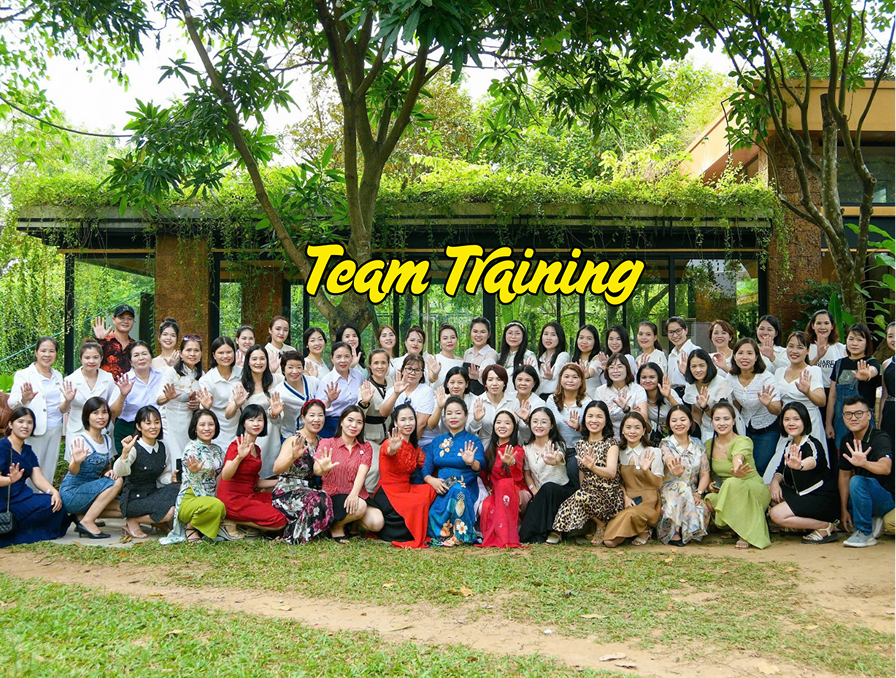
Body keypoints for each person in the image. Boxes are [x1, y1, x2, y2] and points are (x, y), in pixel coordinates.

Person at [551, 401, 624, 543]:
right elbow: (582, 472)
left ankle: (601, 525)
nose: (594, 420)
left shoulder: (611, 443)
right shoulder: (580, 444)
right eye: (590, 416)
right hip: (588, 493)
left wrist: (593, 467)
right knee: (566, 508)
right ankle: (593, 523)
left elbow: (611, 472)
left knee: (580, 497)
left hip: (609, 494)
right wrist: (583, 491)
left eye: (599, 416)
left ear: (606, 421)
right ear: (584, 419)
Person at [768, 403, 839, 544]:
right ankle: (803, 526)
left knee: (776, 514)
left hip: (819, 498)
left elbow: (812, 461)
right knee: (767, 491)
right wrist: (775, 482)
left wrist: (800, 465)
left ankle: (824, 526)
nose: (791, 423)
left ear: (805, 421)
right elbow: (780, 470)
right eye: (787, 419)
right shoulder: (789, 445)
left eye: (796, 419)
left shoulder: (812, 444)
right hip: (801, 495)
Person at [703, 402, 771, 549]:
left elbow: (738, 457)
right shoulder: (709, 445)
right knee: (710, 499)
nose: (722, 423)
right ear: (712, 421)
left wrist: (737, 468)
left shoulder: (743, 440)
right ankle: (734, 526)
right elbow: (707, 471)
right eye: (717, 419)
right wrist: (710, 484)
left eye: (726, 419)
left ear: (734, 421)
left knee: (732, 482)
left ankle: (745, 534)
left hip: (752, 487)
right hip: (728, 490)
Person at [0, 406, 69, 547]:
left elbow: (38, 478)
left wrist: (54, 492)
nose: (25, 426)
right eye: (21, 421)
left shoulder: (27, 451)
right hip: (5, 501)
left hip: (23, 497)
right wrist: (9, 480)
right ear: (10, 424)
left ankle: (17, 528)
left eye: (30, 422)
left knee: (56, 506)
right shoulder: (2, 447)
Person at [369, 403, 435, 548]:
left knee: (430, 491)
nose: (408, 423)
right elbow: (389, 451)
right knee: (416, 503)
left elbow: (426, 464)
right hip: (388, 492)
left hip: (406, 489)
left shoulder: (414, 447)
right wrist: (392, 449)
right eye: (403, 420)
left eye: (411, 419)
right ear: (395, 423)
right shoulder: (389, 442)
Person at [423, 396, 486, 546]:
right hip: (442, 485)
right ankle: (445, 534)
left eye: (458, 413)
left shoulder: (473, 440)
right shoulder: (437, 441)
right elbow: (426, 469)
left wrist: (471, 462)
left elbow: (480, 466)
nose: (453, 417)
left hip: (465, 484)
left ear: (466, 416)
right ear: (444, 418)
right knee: (437, 507)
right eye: (449, 413)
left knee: (458, 491)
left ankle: (461, 535)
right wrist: (431, 480)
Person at [314, 406, 384, 542]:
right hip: (334, 494)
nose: (354, 425)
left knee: (377, 523)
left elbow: (362, 473)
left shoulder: (366, 447)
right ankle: (336, 527)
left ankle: (352, 523)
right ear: (341, 422)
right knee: (360, 506)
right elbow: (316, 469)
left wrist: (354, 494)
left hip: (356, 494)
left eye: (359, 422)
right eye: (350, 420)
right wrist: (322, 469)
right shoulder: (327, 443)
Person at [217, 404, 287, 535]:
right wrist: (239, 457)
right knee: (280, 520)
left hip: (250, 495)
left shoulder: (257, 449)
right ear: (243, 423)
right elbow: (225, 475)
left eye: (260, 420)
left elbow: (255, 483)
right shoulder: (236, 445)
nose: (256, 424)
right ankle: (231, 520)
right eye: (251, 420)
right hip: (233, 499)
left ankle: (248, 523)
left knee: (283, 502)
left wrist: (280, 481)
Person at [160, 409, 227, 544]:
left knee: (221, 506)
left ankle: (202, 526)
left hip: (210, 497)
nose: (207, 428)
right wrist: (194, 471)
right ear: (195, 429)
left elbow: (221, 476)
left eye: (211, 424)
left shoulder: (218, 450)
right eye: (202, 425)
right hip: (191, 497)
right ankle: (190, 528)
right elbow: (191, 479)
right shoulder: (191, 448)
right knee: (216, 506)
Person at [271, 400, 333, 544]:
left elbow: (318, 471)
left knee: (324, 497)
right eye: (312, 415)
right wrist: (292, 457)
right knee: (319, 499)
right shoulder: (294, 440)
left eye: (320, 415)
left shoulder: (322, 442)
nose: (316, 419)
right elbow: (276, 468)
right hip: (287, 490)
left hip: (310, 490)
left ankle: (292, 531)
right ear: (303, 418)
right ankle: (293, 536)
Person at [113, 405, 180, 539]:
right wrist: (125, 453)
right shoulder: (134, 447)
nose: (153, 427)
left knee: (180, 487)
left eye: (156, 422)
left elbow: (163, 475)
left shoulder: (162, 447)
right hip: (133, 499)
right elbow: (120, 471)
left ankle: (155, 520)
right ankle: (134, 520)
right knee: (169, 513)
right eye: (148, 423)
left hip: (153, 493)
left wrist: (171, 479)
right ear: (138, 426)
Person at [59, 397, 122, 539]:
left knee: (122, 508)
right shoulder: (80, 440)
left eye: (104, 412)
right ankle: (88, 521)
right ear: (87, 416)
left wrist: (110, 472)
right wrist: (77, 462)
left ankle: (80, 516)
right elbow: (73, 471)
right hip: (72, 492)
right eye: (95, 413)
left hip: (92, 491)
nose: (101, 417)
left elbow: (106, 469)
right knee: (118, 482)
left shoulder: (107, 439)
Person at [837, 396, 894, 548]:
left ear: (869, 415)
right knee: (838, 497)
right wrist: (843, 510)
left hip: (887, 495)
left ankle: (865, 532)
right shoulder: (846, 440)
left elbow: (886, 468)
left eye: (858, 413)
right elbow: (844, 475)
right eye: (848, 414)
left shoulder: (880, 438)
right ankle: (872, 519)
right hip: (863, 494)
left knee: (857, 481)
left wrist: (864, 463)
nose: (853, 418)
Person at [603, 412, 664, 547]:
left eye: (637, 427)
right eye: (628, 427)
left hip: (648, 500)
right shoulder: (617, 452)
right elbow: (618, 481)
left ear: (643, 431)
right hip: (627, 500)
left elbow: (658, 483)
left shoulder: (653, 452)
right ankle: (634, 530)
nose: (632, 431)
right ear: (622, 430)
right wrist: (625, 496)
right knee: (609, 541)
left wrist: (646, 471)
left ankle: (645, 529)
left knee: (629, 517)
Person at [9, 337, 65, 482]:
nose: (47, 355)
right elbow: (11, 403)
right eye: (43, 350)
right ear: (36, 352)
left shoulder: (58, 375)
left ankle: (47, 496)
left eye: (51, 351)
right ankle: (29, 496)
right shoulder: (24, 374)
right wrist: (24, 399)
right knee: (31, 469)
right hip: (34, 429)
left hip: (56, 428)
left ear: (56, 354)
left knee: (49, 470)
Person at [226, 345, 284, 477]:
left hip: (272, 431)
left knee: (271, 470)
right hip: (251, 434)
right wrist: (236, 405)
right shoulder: (240, 385)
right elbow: (228, 414)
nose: (258, 362)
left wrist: (274, 413)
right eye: (254, 359)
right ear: (248, 362)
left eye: (262, 359)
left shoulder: (277, 379)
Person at [728, 338, 782, 476]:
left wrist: (768, 404)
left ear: (756, 357)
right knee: (744, 466)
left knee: (760, 467)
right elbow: (734, 403)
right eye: (740, 353)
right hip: (744, 428)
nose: (745, 357)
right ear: (734, 356)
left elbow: (777, 410)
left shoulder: (766, 378)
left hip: (767, 430)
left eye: (750, 353)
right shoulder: (731, 377)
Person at [519, 406, 573, 543]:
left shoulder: (558, 444)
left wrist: (553, 460)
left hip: (560, 491)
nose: (539, 425)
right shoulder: (526, 447)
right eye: (535, 421)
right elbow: (527, 474)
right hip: (540, 493)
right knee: (525, 536)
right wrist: (534, 491)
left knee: (549, 487)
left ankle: (555, 530)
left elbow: (558, 457)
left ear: (551, 425)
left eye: (543, 422)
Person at [657, 405, 710, 546]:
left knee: (701, 508)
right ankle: (675, 531)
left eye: (683, 419)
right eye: (674, 420)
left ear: (690, 422)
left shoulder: (698, 444)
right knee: (681, 486)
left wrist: (699, 493)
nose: (678, 424)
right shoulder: (665, 444)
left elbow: (705, 473)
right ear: (669, 424)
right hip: (670, 491)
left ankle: (688, 531)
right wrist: (675, 470)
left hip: (692, 492)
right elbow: (669, 459)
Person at [479, 410, 529, 548]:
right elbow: (483, 473)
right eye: (498, 422)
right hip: (496, 492)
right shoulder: (490, 450)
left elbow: (518, 477)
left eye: (507, 423)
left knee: (504, 483)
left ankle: (508, 534)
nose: (502, 426)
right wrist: (488, 487)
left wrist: (511, 462)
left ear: (514, 427)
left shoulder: (518, 450)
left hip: (517, 491)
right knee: (486, 506)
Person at [62, 341, 119, 460]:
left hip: (101, 427)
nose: (91, 361)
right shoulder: (70, 380)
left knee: (102, 463)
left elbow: (112, 404)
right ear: (80, 359)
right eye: (87, 358)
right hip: (78, 427)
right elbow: (62, 409)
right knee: (77, 463)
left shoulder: (108, 378)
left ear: (101, 358)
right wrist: (68, 401)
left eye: (95, 357)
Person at [827, 323, 881, 448]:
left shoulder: (872, 362)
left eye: (859, 340)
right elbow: (832, 396)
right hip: (841, 421)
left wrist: (867, 374)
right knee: (843, 454)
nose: (854, 343)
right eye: (851, 339)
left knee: (865, 454)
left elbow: (873, 370)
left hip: (863, 422)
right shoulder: (839, 364)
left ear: (867, 343)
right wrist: (828, 423)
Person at [109, 341, 165, 454]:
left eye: (144, 354)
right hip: (128, 429)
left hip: (155, 428)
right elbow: (114, 412)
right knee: (128, 463)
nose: (141, 358)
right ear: (130, 361)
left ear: (151, 356)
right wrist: (123, 395)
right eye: (136, 355)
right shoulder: (125, 380)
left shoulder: (162, 376)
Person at [773, 332, 826, 450]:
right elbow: (778, 407)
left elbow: (822, 401)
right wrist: (768, 404)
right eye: (791, 346)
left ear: (808, 350)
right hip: (788, 424)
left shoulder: (813, 371)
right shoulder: (779, 372)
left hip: (809, 422)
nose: (794, 351)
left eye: (800, 347)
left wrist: (808, 392)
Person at [156, 334, 204, 465]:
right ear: (181, 354)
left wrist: (198, 405)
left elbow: (205, 402)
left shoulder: (202, 375)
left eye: (196, 350)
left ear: (201, 354)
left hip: (190, 422)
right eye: (188, 350)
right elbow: (158, 400)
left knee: (189, 456)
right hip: (170, 421)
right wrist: (167, 397)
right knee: (174, 457)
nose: (192, 354)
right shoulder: (171, 372)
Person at [545, 362, 590, 485]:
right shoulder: (552, 400)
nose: (570, 380)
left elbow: (592, 431)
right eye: (566, 376)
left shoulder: (587, 402)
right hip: (557, 445)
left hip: (578, 448)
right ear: (560, 379)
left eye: (575, 377)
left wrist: (578, 427)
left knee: (572, 471)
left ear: (581, 381)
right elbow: (546, 423)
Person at [379, 354, 436, 448]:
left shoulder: (426, 391)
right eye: (409, 368)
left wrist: (408, 447)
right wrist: (396, 394)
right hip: (396, 441)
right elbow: (383, 413)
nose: (413, 373)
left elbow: (421, 424)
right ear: (402, 370)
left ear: (422, 373)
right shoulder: (393, 390)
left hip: (421, 443)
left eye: (417, 370)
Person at [196, 336, 242, 449]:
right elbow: (203, 406)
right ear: (214, 355)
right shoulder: (207, 379)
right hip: (217, 425)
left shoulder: (242, 373)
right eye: (221, 353)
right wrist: (205, 406)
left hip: (238, 424)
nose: (225, 356)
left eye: (229, 352)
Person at [357, 349, 394, 491]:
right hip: (371, 436)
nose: (380, 366)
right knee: (373, 470)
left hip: (389, 435)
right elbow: (358, 413)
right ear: (370, 366)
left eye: (383, 363)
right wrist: (365, 402)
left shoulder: (391, 382)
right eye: (376, 363)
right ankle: (367, 497)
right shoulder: (366, 386)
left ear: (388, 365)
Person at [315, 342, 364, 439]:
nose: (343, 360)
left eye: (347, 356)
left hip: (353, 424)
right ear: (332, 359)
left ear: (352, 358)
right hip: (332, 425)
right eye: (338, 357)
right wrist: (329, 401)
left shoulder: (358, 376)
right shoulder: (326, 380)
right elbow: (318, 409)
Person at [592, 353, 648, 437]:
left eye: (619, 367)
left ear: (627, 369)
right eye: (611, 367)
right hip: (607, 437)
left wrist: (627, 409)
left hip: (632, 437)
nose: (615, 371)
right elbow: (596, 416)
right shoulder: (600, 391)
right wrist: (634, 411)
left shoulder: (638, 389)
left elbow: (644, 418)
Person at [273, 351, 320, 440]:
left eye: (299, 367)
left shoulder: (314, 382)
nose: (295, 371)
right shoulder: (279, 390)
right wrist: (274, 413)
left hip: (315, 433)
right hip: (291, 435)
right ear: (283, 369)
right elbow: (272, 414)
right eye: (290, 367)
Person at [468, 365, 516, 449]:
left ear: (504, 382)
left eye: (499, 379)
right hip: (483, 447)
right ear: (485, 383)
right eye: (490, 380)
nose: (494, 383)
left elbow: (519, 432)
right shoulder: (477, 401)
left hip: (507, 448)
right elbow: (469, 432)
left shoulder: (513, 402)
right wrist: (476, 420)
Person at [428, 367, 476, 438]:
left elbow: (472, 429)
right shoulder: (441, 398)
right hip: (445, 440)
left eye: (460, 383)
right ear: (447, 384)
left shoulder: (474, 400)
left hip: (468, 439)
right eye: (452, 382)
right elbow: (431, 426)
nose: (456, 386)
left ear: (466, 384)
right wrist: (440, 407)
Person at [638, 362, 678, 445]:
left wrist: (669, 397)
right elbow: (648, 429)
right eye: (644, 377)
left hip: (678, 430)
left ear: (659, 378)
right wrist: (639, 416)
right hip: (659, 436)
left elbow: (684, 412)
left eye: (652, 377)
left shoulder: (668, 391)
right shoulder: (640, 397)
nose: (647, 381)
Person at [91, 304, 135, 379]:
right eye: (121, 318)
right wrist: (99, 340)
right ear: (114, 320)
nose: (125, 321)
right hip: (105, 385)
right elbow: (90, 360)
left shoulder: (135, 346)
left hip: (129, 385)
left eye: (129, 318)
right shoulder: (103, 341)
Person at [807, 310, 847, 393]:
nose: (822, 327)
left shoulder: (841, 348)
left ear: (832, 326)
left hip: (835, 392)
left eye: (826, 323)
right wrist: (818, 357)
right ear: (813, 326)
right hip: (811, 391)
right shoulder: (806, 347)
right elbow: (802, 372)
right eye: (818, 323)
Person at [497, 321, 537, 396]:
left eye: (517, 333)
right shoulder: (499, 357)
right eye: (510, 333)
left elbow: (536, 380)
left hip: (521, 397)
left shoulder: (529, 356)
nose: (513, 337)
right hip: (501, 398)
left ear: (523, 336)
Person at [463, 317, 498, 395]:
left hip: (483, 397)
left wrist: (478, 376)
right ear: (470, 333)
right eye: (475, 331)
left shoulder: (491, 354)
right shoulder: (467, 353)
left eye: (483, 332)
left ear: (488, 334)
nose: (478, 335)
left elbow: (489, 379)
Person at [536, 321, 569, 399]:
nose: (548, 338)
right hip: (538, 399)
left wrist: (552, 376)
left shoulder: (563, 355)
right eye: (546, 334)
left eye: (553, 335)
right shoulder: (540, 359)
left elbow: (558, 368)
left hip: (555, 398)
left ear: (559, 338)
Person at [666, 316, 697, 398]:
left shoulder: (695, 351)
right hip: (673, 395)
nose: (675, 335)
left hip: (690, 394)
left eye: (678, 331)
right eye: (671, 332)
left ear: (686, 330)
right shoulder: (671, 355)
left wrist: (687, 372)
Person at [427, 323, 464, 391]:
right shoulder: (434, 359)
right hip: (436, 396)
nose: (449, 341)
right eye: (445, 338)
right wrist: (435, 374)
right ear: (440, 342)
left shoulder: (461, 362)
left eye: (453, 337)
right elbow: (430, 380)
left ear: (457, 340)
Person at [571, 324, 603, 393]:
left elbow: (593, 369)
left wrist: (588, 374)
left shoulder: (598, 358)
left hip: (592, 397)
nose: (584, 341)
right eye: (581, 338)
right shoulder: (574, 359)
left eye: (589, 338)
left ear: (595, 341)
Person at [881, 321, 896, 443]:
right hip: (890, 413)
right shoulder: (886, 364)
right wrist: (880, 421)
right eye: (890, 336)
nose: (894, 340)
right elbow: (884, 396)